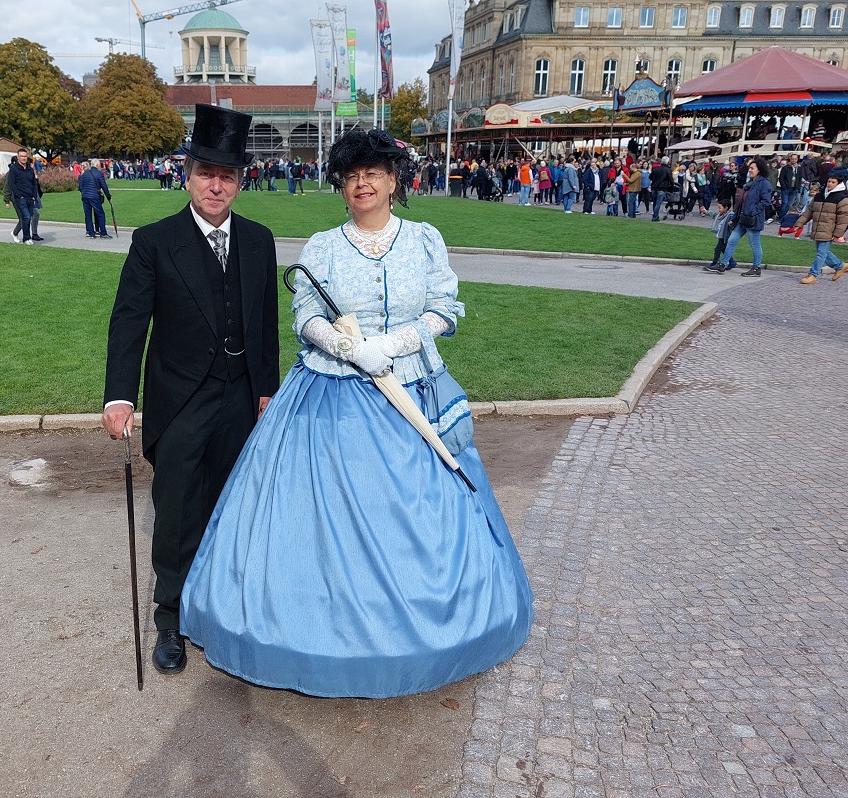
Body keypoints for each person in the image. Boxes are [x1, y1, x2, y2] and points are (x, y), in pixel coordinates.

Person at [179, 129, 534, 699]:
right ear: (341, 186)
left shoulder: (423, 240)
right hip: (332, 397)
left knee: (423, 507)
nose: (362, 183)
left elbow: (446, 308)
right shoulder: (322, 247)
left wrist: (394, 345)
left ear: (395, 180)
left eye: (373, 172)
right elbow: (305, 318)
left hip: (413, 388)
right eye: (351, 175)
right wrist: (350, 348)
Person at [101, 104, 280, 677]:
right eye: (207, 173)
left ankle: (224, 607)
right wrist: (119, 395)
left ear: (240, 180)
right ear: (188, 174)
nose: (216, 185)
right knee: (177, 509)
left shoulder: (258, 240)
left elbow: (265, 320)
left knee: (234, 505)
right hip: (180, 398)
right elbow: (130, 319)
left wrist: (267, 390)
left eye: (227, 175)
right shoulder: (156, 241)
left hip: (240, 397)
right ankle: (171, 616)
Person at [705, 157, 774, 277]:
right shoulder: (750, 184)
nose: (750, 170)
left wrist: (752, 211)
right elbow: (742, 204)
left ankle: (757, 267)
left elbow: (766, 201)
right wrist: (735, 218)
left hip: (753, 220)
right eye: (749, 168)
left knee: (754, 244)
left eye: (752, 168)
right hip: (743, 219)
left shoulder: (764, 184)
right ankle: (722, 264)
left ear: (760, 170)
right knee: (731, 240)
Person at [787, 167, 848, 285]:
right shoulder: (819, 195)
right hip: (818, 228)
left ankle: (812, 274)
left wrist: (837, 234)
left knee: (821, 253)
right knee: (822, 251)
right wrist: (799, 223)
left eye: (833, 182)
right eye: (829, 181)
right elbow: (809, 211)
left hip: (829, 230)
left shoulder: (842, 198)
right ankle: (840, 266)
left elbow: (843, 218)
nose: (830, 184)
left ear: (838, 183)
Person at [2, 156, 43, 242]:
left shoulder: (26, 171)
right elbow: (7, 186)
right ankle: (17, 234)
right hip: (17, 198)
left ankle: (28, 236)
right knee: (24, 218)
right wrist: (7, 200)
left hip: (27, 197)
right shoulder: (11, 173)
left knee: (30, 216)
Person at [77, 158, 113, 239]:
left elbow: (80, 186)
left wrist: (84, 192)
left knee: (88, 215)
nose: (100, 166)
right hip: (94, 196)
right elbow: (104, 186)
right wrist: (108, 197)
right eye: (99, 165)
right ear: (97, 165)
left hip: (85, 196)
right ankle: (103, 232)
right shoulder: (99, 174)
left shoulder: (85, 174)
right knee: (100, 214)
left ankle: (91, 232)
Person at [701, 199, 739, 273]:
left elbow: (734, 222)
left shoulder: (730, 215)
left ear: (726, 208)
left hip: (725, 236)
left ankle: (715, 263)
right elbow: (714, 215)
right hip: (721, 235)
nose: (719, 210)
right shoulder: (720, 214)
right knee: (724, 249)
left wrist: (731, 224)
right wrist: (706, 211)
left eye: (720, 208)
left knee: (718, 249)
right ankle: (732, 262)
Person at [649, 156, 674, 221]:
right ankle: (655, 217)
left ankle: (655, 215)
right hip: (662, 188)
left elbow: (650, 177)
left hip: (654, 187)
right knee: (658, 203)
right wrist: (671, 185)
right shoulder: (668, 170)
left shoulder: (656, 169)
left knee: (654, 202)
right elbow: (671, 180)